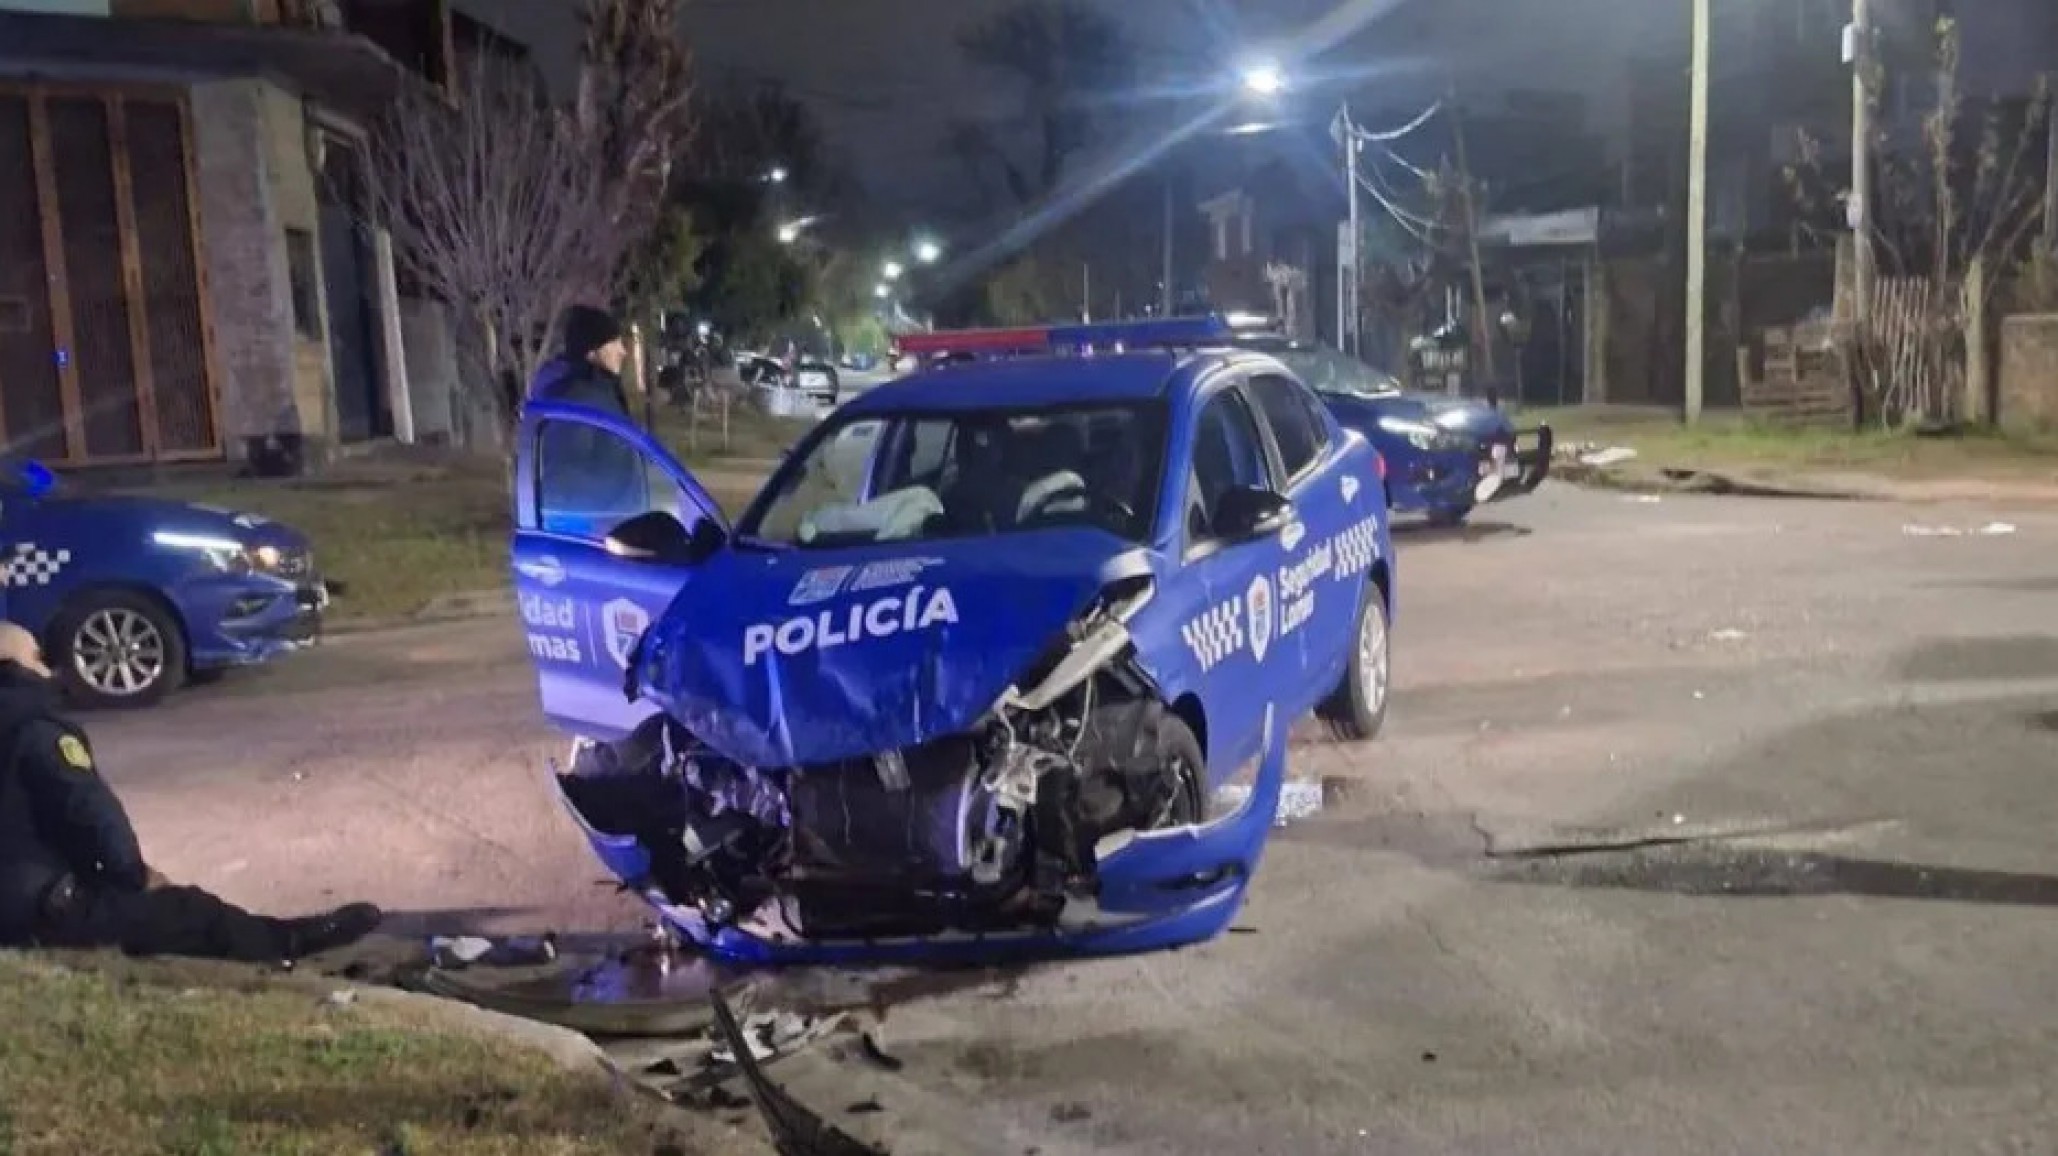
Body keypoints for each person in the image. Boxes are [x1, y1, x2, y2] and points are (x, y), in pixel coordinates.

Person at [0, 622, 383, 962]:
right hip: (37, 909)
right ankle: (285, 944)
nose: (48, 667)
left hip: (24, 894)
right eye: (38, 657)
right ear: (17, 666)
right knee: (187, 911)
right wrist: (134, 878)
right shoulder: (36, 731)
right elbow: (90, 812)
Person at [526, 304, 632, 416]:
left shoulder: (599, 389)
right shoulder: (581, 397)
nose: (623, 352)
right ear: (591, 351)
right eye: (614, 343)